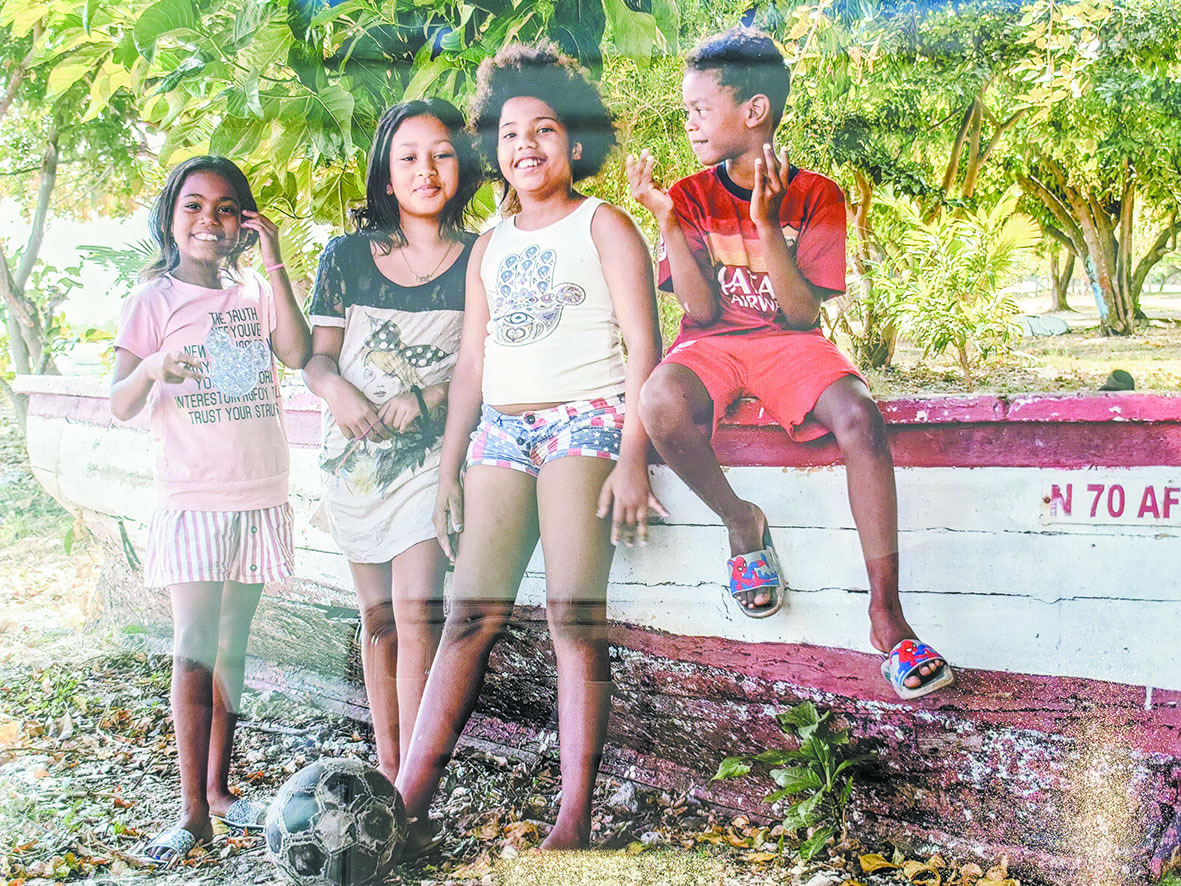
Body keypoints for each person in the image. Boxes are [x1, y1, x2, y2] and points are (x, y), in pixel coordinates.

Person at [627, 27, 953, 700]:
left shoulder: (818, 196)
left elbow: (803, 316)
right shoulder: (686, 194)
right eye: (684, 110)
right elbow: (702, 313)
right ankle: (739, 524)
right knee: (658, 403)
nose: (686, 122)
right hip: (711, 345)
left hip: (787, 343)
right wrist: (665, 221)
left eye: (698, 108)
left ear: (753, 112)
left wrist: (766, 223)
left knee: (859, 418)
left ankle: (886, 617)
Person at [395, 43, 665, 852]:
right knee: (466, 616)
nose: (526, 148)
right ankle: (405, 802)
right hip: (502, 433)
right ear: (494, 149)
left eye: (543, 130)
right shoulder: (490, 244)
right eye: (510, 135)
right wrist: (450, 470)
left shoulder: (603, 223)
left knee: (571, 619)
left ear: (574, 143)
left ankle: (573, 820)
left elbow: (645, 347)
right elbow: (471, 363)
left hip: (586, 419)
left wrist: (632, 455)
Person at [110, 156, 311, 863]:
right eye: (193, 205)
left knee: (232, 648)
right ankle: (192, 812)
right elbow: (120, 401)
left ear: (244, 223)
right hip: (195, 497)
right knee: (193, 648)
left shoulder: (255, 290)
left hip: (260, 491)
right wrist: (150, 367)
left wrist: (278, 259)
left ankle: (221, 793)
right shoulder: (152, 300)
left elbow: (295, 350)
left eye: (227, 208)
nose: (209, 220)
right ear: (170, 217)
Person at [302, 99, 481, 787]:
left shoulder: (479, 257)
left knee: (415, 616)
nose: (425, 170)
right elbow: (318, 359)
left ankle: (412, 788)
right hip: (354, 462)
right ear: (385, 174)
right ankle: (384, 767)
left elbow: (483, 366)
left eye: (439, 154)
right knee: (376, 621)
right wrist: (336, 391)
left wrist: (427, 398)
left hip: (428, 461)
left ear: (459, 168)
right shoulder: (344, 255)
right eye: (407, 156)